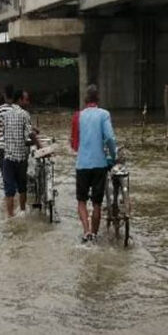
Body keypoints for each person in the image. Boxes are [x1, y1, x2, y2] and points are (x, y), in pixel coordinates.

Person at [70, 84, 117, 243]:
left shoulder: (78, 116)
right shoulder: (104, 114)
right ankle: (95, 235)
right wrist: (113, 155)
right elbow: (110, 138)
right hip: (100, 164)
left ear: (85, 100)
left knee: (81, 201)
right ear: (98, 99)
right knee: (97, 203)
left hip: (82, 164)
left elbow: (74, 143)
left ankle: (86, 232)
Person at [0, 89, 35, 217]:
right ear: (20, 100)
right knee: (22, 187)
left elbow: (2, 133)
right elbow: (28, 137)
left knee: (9, 191)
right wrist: (38, 144)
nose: (28, 102)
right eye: (26, 99)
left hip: (8, 158)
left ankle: (9, 216)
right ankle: (23, 212)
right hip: (20, 159)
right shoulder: (25, 115)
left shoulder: (5, 115)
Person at [0, 84, 15, 173]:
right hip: (15, 148)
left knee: (4, 174)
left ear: (4, 95)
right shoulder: (18, 109)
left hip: (3, 146)